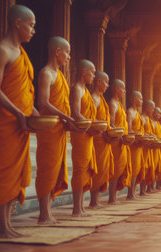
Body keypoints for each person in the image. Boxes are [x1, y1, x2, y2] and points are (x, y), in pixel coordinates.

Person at [0, 4, 37, 238]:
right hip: (4, 123)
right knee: (1, 172)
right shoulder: (2, 50)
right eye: (31, 25)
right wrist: (18, 113)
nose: (33, 31)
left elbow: (25, 94)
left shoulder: (22, 55)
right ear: (18, 23)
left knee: (14, 175)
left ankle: (6, 224)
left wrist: (36, 114)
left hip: (21, 124)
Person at [36, 36, 77, 224]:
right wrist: (66, 117)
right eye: (67, 52)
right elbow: (43, 102)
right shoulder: (46, 73)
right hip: (49, 129)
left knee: (55, 170)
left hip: (59, 129)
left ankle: (48, 212)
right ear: (57, 52)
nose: (69, 57)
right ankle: (44, 214)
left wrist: (66, 120)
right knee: (47, 169)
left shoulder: (60, 76)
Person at [69, 59, 98, 216]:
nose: (93, 75)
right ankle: (76, 208)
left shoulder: (86, 91)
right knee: (80, 169)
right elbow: (75, 113)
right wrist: (89, 126)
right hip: (80, 133)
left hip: (87, 133)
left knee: (85, 169)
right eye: (92, 72)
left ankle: (81, 206)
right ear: (83, 72)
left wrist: (93, 126)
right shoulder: (77, 89)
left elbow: (88, 116)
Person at [89, 71, 114, 208]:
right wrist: (104, 129)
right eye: (106, 82)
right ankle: (93, 201)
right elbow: (92, 119)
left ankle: (96, 200)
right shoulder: (94, 98)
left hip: (104, 138)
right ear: (98, 82)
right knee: (97, 169)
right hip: (97, 138)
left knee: (103, 169)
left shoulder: (102, 100)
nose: (107, 85)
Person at [107, 79, 132, 204]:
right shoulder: (113, 103)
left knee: (118, 170)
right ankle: (111, 197)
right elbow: (111, 123)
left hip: (121, 141)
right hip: (116, 141)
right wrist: (120, 136)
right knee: (114, 170)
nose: (124, 91)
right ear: (117, 89)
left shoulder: (120, 105)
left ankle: (114, 197)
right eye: (123, 89)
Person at [126, 91, 144, 200]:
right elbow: (129, 129)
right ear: (134, 99)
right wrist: (137, 137)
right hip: (133, 144)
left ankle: (133, 191)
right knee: (132, 168)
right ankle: (130, 193)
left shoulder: (137, 114)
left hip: (138, 145)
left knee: (137, 168)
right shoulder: (130, 112)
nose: (141, 101)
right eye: (140, 99)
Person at [140, 100, 156, 195]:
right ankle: (138, 191)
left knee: (148, 168)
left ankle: (144, 189)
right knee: (142, 168)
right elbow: (139, 131)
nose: (153, 110)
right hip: (143, 147)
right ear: (147, 108)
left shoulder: (148, 119)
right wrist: (148, 136)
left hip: (148, 147)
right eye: (152, 108)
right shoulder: (141, 118)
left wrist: (151, 136)